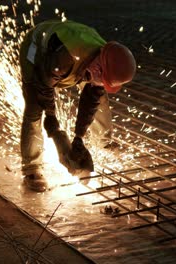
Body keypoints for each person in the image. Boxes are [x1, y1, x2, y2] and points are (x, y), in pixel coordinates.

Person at [19, 20, 136, 191]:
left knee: (100, 97)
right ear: (97, 68)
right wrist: (55, 129)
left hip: (73, 52)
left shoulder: (106, 57)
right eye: (103, 80)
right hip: (37, 53)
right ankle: (31, 168)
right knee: (34, 111)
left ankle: (103, 142)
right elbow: (45, 90)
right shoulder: (62, 58)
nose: (101, 83)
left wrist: (78, 138)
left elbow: (91, 100)